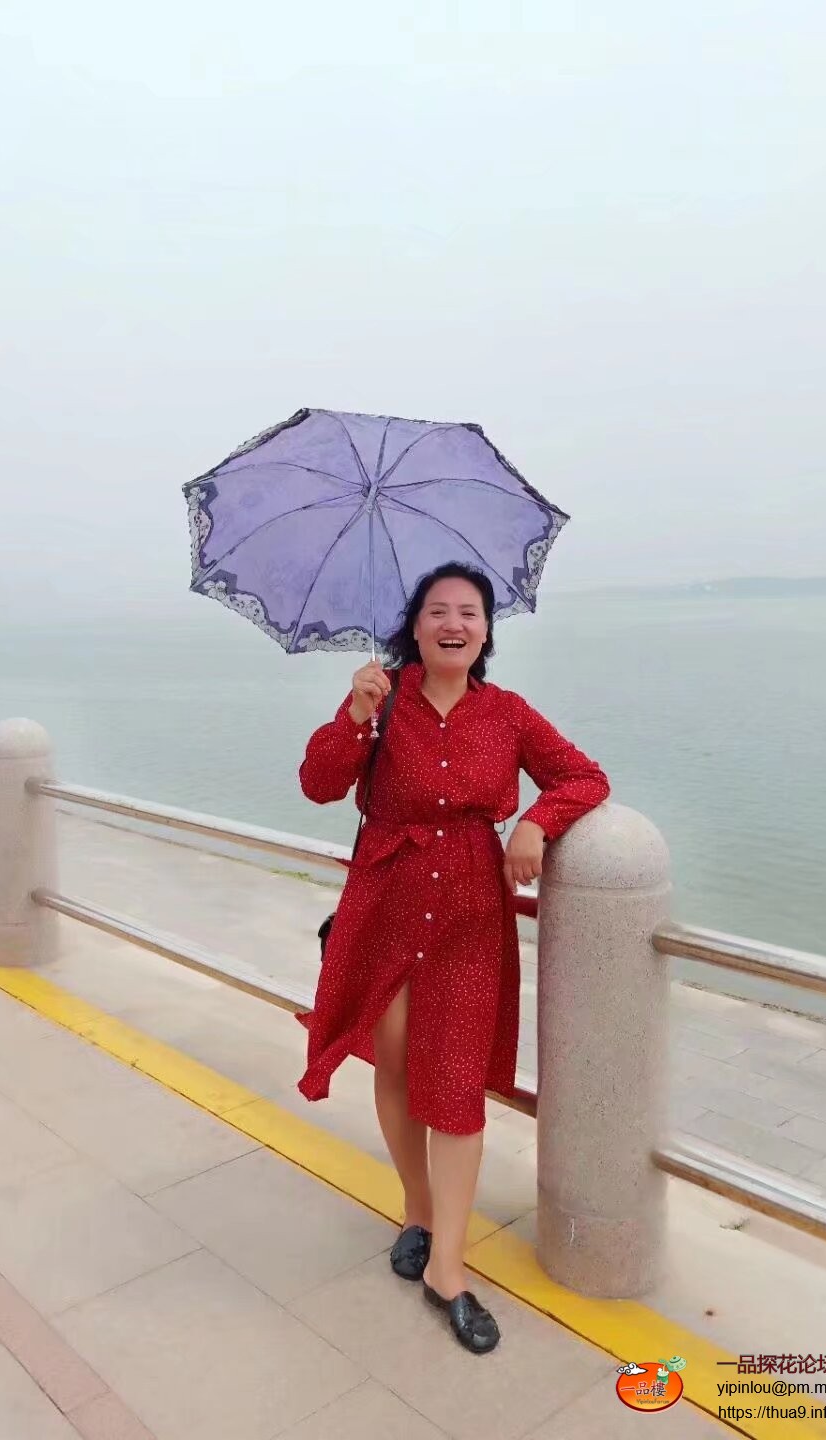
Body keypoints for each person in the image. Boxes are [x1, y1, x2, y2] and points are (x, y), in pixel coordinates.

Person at [297, 562, 610, 1354]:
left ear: (486, 631)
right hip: (387, 902)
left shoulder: (507, 713)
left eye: (469, 612)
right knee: (397, 1063)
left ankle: (447, 1268)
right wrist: (355, 716)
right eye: (438, 610)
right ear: (414, 626)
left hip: (471, 912)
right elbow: (319, 784)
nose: (454, 623)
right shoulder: (380, 698)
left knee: (457, 1085)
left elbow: (584, 777)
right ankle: (417, 1209)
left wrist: (535, 823)